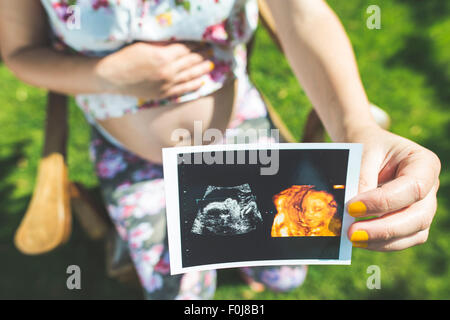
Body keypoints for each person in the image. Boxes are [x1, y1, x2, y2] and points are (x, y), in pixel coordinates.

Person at [0, 0, 440, 299]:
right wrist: (105, 74)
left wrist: (355, 122)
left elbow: (299, 12)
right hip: (135, 160)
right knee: (180, 293)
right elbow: (20, 52)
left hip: (238, 138)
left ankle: (249, 271)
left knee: (286, 273)